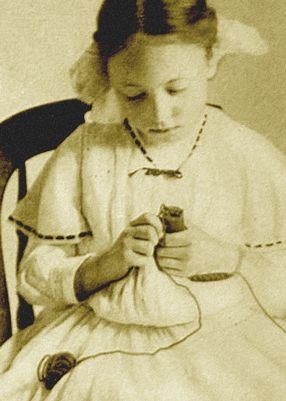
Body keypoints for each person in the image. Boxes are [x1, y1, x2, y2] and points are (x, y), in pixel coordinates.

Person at [1, 0, 286, 399]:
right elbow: (36, 272)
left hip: (221, 335)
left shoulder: (244, 152)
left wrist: (228, 258)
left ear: (209, 61)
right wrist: (103, 266)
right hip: (103, 334)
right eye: (134, 95)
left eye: (176, 89)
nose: (160, 113)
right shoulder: (87, 151)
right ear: (108, 76)